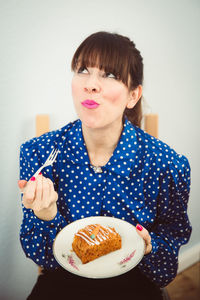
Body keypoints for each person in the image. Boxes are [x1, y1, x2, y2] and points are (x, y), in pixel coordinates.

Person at [18, 31, 192, 300]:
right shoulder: (39, 154)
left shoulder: (168, 165)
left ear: (133, 95)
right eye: (83, 70)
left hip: (136, 283)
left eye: (110, 74)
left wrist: (150, 247)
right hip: (63, 283)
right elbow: (42, 259)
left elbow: (165, 271)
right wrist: (47, 216)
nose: (91, 85)